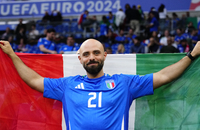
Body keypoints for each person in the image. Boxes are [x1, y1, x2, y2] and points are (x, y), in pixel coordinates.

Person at [1, 38, 200, 130]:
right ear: (79, 59)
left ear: (105, 55)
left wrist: (192, 55)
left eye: (96, 52)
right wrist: (11, 54)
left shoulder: (124, 83)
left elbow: (164, 76)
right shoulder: (67, 85)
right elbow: (34, 80)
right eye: (86, 54)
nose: (92, 57)